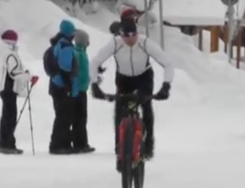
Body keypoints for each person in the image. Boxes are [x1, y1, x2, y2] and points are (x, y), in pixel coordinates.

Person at [89, 17, 172, 158]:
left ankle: (148, 143)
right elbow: (95, 61)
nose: (130, 38)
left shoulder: (144, 42)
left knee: (146, 106)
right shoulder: (115, 43)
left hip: (144, 77)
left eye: (134, 34)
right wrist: (94, 84)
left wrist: (166, 85)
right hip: (124, 78)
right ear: (120, 35)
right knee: (120, 108)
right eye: (126, 35)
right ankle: (119, 145)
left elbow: (168, 63)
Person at [45, 20, 78, 154]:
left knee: (61, 114)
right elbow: (65, 68)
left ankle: (62, 143)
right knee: (64, 115)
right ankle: (58, 145)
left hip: (55, 84)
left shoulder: (58, 44)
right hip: (62, 86)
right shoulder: (66, 46)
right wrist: (68, 86)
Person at [0, 29, 30, 155]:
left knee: (7, 116)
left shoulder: (3, 53)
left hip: (5, 88)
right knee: (10, 117)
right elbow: (13, 72)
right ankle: (7, 144)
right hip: (9, 88)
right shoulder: (10, 55)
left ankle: (5, 143)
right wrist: (27, 76)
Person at [70, 30, 93, 153]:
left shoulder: (81, 53)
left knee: (80, 117)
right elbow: (76, 72)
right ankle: (80, 143)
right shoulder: (78, 54)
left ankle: (80, 142)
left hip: (81, 88)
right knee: (80, 117)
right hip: (78, 89)